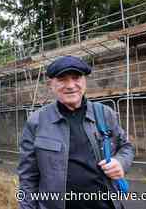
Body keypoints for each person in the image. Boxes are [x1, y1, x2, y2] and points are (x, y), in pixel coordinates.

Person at [17, 55, 135, 209]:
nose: (70, 85)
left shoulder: (105, 113)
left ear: (84, 81)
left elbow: (126, 147)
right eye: (62, 79)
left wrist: (120, 162)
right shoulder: (36, 121)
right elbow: (28, 177)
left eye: (76, 78)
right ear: (50, 85)